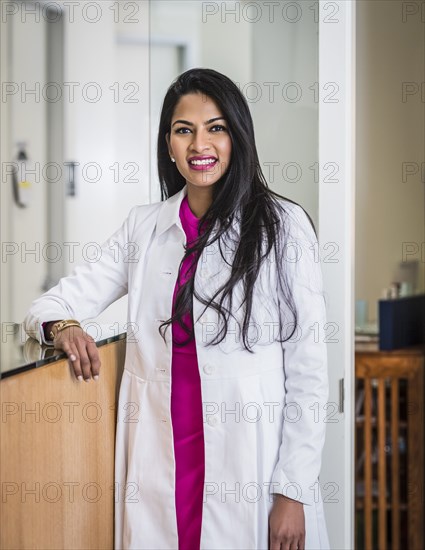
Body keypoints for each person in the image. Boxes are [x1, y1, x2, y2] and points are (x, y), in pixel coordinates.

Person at [23, 68, 331, 550]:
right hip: (161, 463)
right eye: (183, 130)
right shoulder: (143, 228)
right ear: (168, 142)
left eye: (216, 127)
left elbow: (309, 371)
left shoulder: (283, 227)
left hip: (247, 462)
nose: (198, 144)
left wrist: (292, 491)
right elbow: (51, 303)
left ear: (238, 137)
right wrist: (62, 328)